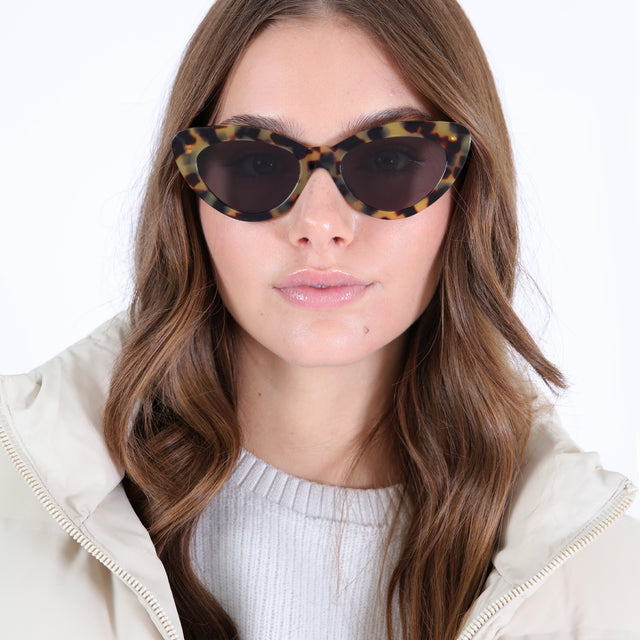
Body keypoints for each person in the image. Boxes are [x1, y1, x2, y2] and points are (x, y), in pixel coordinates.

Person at [0, 1, 638, 639]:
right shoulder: (17, 504)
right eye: (256, 162)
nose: (320, 226)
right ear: (188, 191)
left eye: (389, 159)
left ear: (466, 189)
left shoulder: (598, 576)